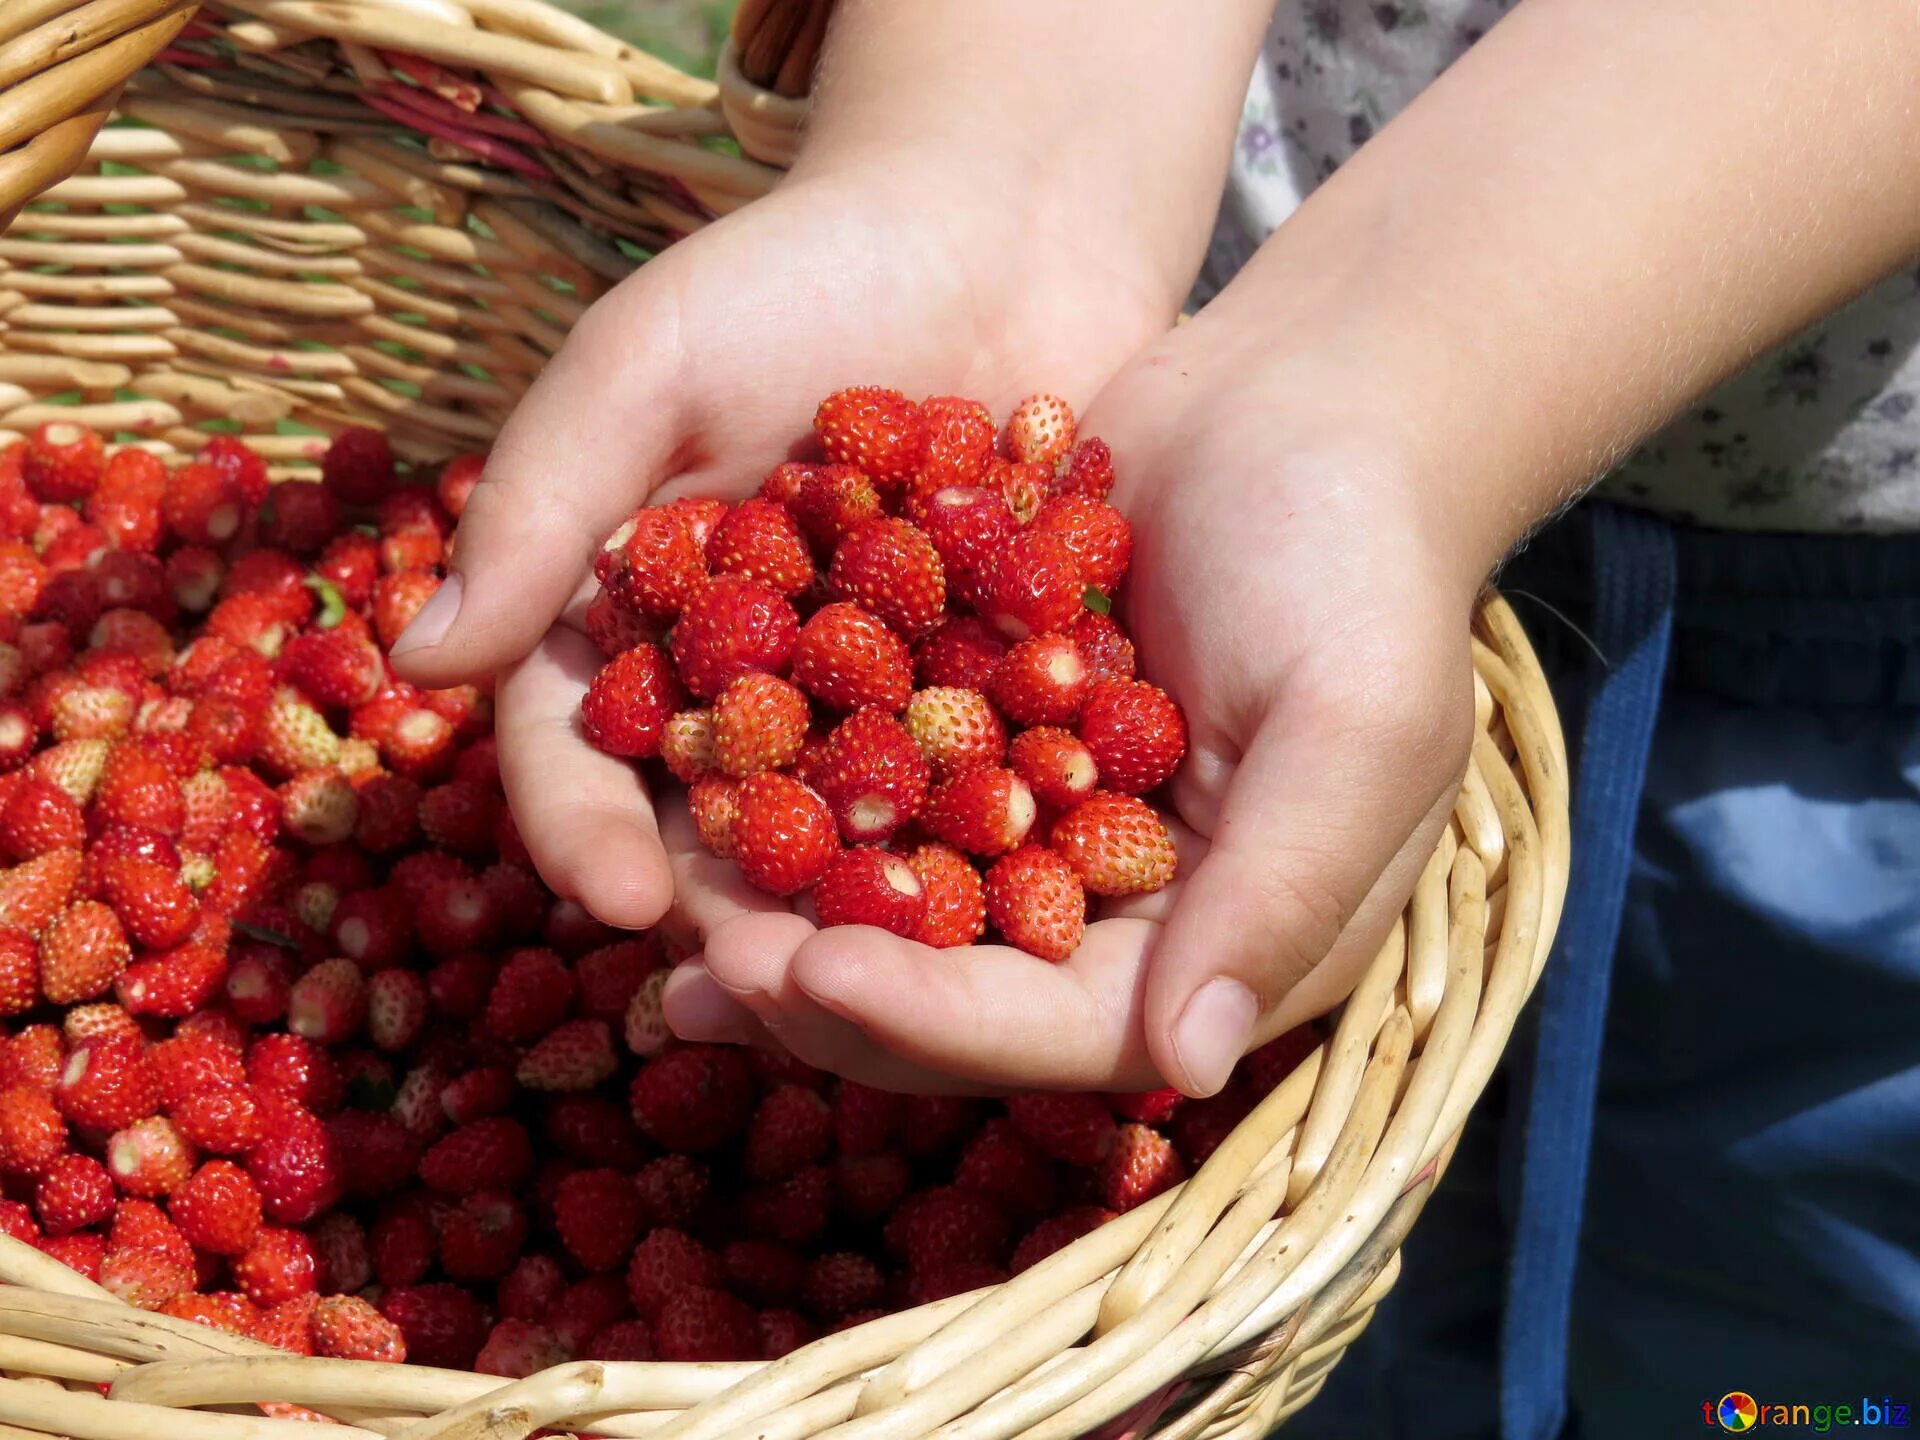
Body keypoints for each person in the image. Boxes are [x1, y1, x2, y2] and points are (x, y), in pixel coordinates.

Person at [389, 0, 1920, 1432]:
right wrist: (982, 177)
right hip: (1207, 349)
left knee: (1786, 1341)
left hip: (1841, 694)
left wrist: (1411, 383)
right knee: (1303, 1292)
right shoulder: (975, 583)